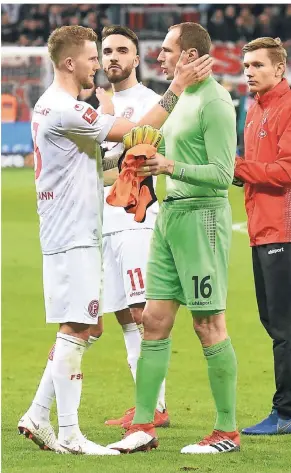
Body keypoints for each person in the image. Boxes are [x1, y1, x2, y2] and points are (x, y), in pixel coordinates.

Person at [17, 25, 212, 456]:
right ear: (70, 63)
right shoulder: (69, 109)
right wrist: (177, 85)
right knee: (83, 325)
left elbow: (98, 162)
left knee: (90, 324)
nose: (98, 65)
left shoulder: (53, 107)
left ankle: (37, 413)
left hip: (78, 229)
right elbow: (136, 132)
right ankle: (68, 434)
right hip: (75, 233)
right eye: (92, 56)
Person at [107, 22, 239, 455]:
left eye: (166, 50)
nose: (158, 56)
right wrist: (146, 165)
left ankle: (226, 432)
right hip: (169, 218)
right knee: (153, 321)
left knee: (208, 325)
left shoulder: (217, 102)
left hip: (202, 220)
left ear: (189, 55)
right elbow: (152, 146)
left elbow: (223, 174)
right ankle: (143, 425)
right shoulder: (178, 99)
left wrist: (168, 167)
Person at [96, 25, 169, 429]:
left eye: (122, 50)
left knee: (142, 312)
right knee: (125, 313)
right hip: (105, 224)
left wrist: (105, 166)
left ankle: (155, 406)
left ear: (136, 59)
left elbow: (128, 164)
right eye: (107, 51)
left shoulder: (150, 103)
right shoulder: (95, 107)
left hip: (137, 222)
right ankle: (146, 403)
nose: (113, 58)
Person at [234, 37, 291, 435]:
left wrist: (234, 167)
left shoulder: (287, 107)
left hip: (283, 231)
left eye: (257, 65)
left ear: (279, 69)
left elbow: (286, 170)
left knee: (285, 327)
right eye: (246, 65)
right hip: (261, 228)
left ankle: (285, 412)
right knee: (274, 322)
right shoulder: (254, 111)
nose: (249, 71)